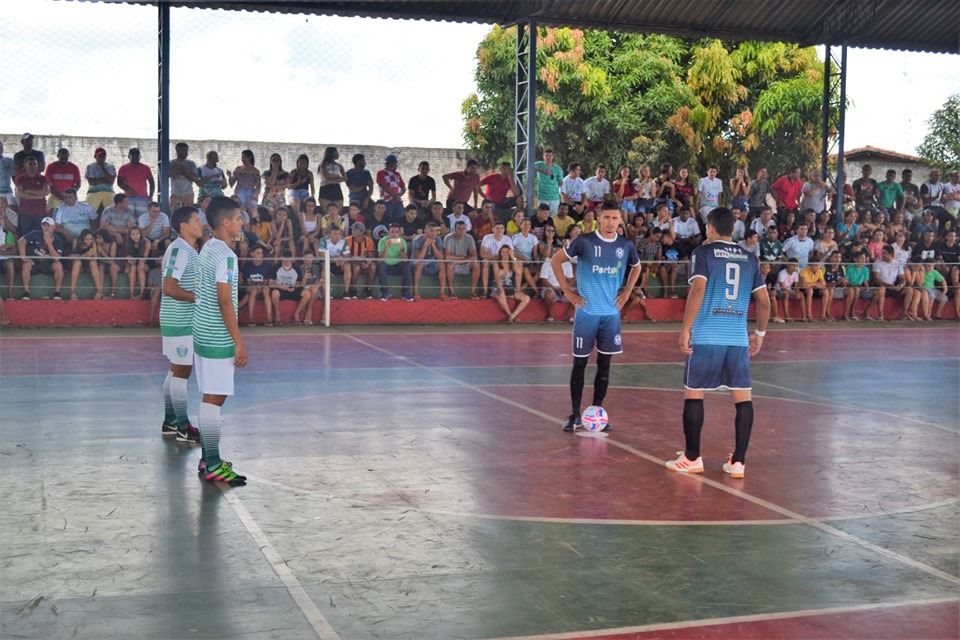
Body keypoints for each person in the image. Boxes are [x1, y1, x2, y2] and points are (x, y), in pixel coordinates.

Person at [666, 207, 770, 478]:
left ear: (710, 228)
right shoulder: (749, 258)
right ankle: (738, 462)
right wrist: (759, 334)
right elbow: (764, 302)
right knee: (743, 398)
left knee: (694, 393)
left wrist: (685, 329)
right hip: (736, 340)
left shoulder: (703, 253)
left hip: (706, 335)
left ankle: (692, 458)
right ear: (733, 230)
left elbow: (698, 289)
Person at [550, 202, 642, 432]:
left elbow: (637, 267)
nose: (611, 221)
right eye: (607, 217)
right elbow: (555, 261)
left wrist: (627, 292)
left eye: (615, 218)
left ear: (621, 220)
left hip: (610, 316)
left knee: (605, 365)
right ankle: (574, 415)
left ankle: (597, 411)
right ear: (599, 219)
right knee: (579, 364)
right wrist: (567, 292)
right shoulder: (585, 241)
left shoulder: (625, 245)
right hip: (587, 314)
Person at [192, 196, 248, 484]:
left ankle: (208, 457)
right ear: (225, 222)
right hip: (217, 336)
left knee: (212, 396)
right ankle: (212, 463)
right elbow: (225, 301)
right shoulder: (226, 255)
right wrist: (238, 341)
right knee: (214, 400)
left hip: (201, 332)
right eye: (238, 218)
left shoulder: (207, 249)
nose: (241, 222)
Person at [159, 206, 204, 442]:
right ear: (184, 226)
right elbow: (169, 287)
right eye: (197, 220)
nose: (201, 223)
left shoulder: (186, 250)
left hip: (182, 320)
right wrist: (199, 297)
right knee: (182, 373)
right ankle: (183, 428)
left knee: (177, 370)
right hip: (180, 320)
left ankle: (170, 421)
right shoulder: (180, 250)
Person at [18, 216, 64, 300]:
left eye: (48, 226)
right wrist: (24, 257)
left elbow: (57, 258)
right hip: (34, 263)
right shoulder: (36, 233)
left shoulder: (58, 240)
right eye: (44, 225)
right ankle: (26, 292)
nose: (46, 228)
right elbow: (21, 241)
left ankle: (57, 292)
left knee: (58, 265)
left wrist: (49, 243)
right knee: (25, 265)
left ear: (53, 227)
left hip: (48, 265)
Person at [492, 244, 531, 323]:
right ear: (500, 253)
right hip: (497, 286)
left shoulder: (511, 263)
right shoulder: (496, 263)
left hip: (509, 287)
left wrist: (513, 257)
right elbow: (497, 278)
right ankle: (512, 317)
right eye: (503, 252)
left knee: (526, 298)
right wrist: (501, 290)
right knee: (502, 298)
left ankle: (511, 317)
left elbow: (519, 272)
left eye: (507, 251)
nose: (505, 253)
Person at [443, 220, 480, 299]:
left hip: (464, 263)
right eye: (459, 229)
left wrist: (462, 260)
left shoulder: (469, 238)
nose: (461, 231)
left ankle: (473, 292)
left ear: (466, 229)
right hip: (454, 263)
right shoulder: (448, 238)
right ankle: (452, 292)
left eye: (463, 229)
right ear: (454, 229)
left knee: (476, 263)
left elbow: (474, 256)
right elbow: (447, 257)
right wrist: (464, 258)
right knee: (449, 264)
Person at [411, 221, 447, 300]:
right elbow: (419, 257)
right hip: (417, 263)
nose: (433, 233)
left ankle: (442, 292)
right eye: (431, 231)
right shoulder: (417, 240)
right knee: (419, 263)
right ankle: (416, 291)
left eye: (435, 231)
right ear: (425, 231)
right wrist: (425, 245)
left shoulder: (438, 240)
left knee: (441, 264)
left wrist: (433, 246)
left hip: (432, 262)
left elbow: (440, 257)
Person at [377, 223, 413, 301]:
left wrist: (402, 248)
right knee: (381, 265)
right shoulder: (382, 241)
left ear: (399, 233)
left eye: (396, 232)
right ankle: (384, 292)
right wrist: (386, 247)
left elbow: (405, 259)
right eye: (392, 232)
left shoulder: (402, 241)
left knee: (407, 265)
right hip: (386, 265)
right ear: (388, 232)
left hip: (398, 266)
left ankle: (406, 293)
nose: (394, 234)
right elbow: (381, 259)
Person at [540, 243, 575, 322]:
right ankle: (550, 316)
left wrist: (564, 290)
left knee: (578, 294)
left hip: (563, 288)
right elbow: (544, 281)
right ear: (552, 253)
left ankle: (567, 315)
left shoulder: (567, 265)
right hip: (550, 288)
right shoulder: (547, 264)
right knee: (549, 294)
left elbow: (570, 281)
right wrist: (556, 289)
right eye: (555, 252)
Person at [14, 156, 49, 236]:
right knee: (24, 238)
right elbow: (20, 193)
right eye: (30, 164)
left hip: (40, 213)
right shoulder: (20, 178)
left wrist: (28, 191)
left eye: (34, 164)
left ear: (37, 166)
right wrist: (38, 196)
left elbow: (46, 192)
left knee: (40, 237)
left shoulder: (43, 178)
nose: (32, 166)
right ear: (25, 166)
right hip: (25, 213)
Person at [238, 245, 272, 326]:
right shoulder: (247, 266)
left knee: (266, 290)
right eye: (258, 253)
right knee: (253, 290)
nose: (260, 255)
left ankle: (269, 318)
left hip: (263, 288)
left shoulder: (267, 265)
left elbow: (266, 281)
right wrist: (256, 287)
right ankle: (250, 318)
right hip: (252, 289)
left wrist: (261, 287)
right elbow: (249, 281)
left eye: (261, 253)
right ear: (252, 254)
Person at [68, 229, 104, 300]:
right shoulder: (77, 241)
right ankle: (72, 292)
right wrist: (85, 255)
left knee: (93, 263)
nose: (89, 241)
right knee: (77, 263)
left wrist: (82, 256)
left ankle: (99, 291)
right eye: (86, 239)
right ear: (82, 239)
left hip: (89, 266)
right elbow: (73, 256)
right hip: (78, 265)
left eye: (90, 239)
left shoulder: (93, 242)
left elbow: (94, 257)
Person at [117, 148, 155, 216]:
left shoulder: (146, 168)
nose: (135, 157)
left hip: (143, 198)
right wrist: (129, 190)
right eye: (133, 155)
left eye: (137, 155)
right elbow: (119, 182)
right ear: (129, 156)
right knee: (129, 219)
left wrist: (151, 195)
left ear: (140, 157)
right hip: (128, 198)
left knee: (142, 220)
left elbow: (152, 182)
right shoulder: (123, 168)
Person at [268, 250, 302, 325]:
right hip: (280, 290)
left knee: (307, 294)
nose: (287, 261)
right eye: (285, 259)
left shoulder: (296, 268)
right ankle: (277, 315)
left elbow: (299, 282)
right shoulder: (276, 267)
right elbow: (270, 283)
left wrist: (295, 287)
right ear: (281, 258)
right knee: (275, 293)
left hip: (293, 290)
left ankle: (297, 313)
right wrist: (279, 286)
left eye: (288, 259)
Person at [345, 222, 376, 300]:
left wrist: (368, 261)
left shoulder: (368, 241)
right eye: (353, 230)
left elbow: (370, 256)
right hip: (352, 262)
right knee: (356, 267)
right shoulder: (348, 240)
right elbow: (347, 256)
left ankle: (368, 289)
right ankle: (353, 289)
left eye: (356, 230)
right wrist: (360, 262)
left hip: (364, 262)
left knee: (373, 267)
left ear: (362, 232)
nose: (353, 232)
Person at [318, 225, 351, 298]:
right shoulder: (323, 241)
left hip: (339, 263)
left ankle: (346, 292)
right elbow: (322, 256)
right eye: (335, 234)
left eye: (339, 234)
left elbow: (347, 256)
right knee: (325, 265)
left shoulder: (344, 241)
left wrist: (342, 260)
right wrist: (335, 259)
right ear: (330, 234)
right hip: (327, 262)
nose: (337, 236)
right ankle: (326, 293)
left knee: (347, 265)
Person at [293, 248, 323, 325]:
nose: (308, 260)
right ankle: (308, 312)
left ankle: (309, 310)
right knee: (311, 290)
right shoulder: (299, 268)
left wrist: (319, 282)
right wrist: (305, 278)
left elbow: (317, 281)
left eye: (310, 258)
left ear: (313, 258)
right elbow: (300, 286)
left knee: (314, 288)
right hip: (303, 289)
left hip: (314, 290)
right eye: (306, 258)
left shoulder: (316, 268)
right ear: (303, 258)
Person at [85, 147, 117, 214]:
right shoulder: (90, 167)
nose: (102, 158)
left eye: (104, 156)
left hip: (108, 191)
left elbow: (111, 182)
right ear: (95, 156)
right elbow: (91, 182)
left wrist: (103, 168)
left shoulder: (110, 166)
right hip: (93, 191)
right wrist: (105, 179)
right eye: (99, 156)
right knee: (88, 212)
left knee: (113, 212)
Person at [168, 143, 199, 210]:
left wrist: (185, 170)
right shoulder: (171, 163)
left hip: (188, 194)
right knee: (173, 214)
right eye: (184, 151)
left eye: (187, 151)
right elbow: (166, 175)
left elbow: (196, 179)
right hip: (175, 194)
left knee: (188, 214)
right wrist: (176, 169)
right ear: (177, 151)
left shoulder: (191, 164)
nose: (186, 153)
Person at [534, 149, 564, 214]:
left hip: (554, 197)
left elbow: (561, 183)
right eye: (546, 155)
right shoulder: (539, 164)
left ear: (553, 157)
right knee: (542, 216)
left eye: (550, 156)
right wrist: (542, 170)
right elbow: (528, 169)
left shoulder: (558, 168)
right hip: (542, 196)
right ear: (543, 156)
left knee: (553, 217)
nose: (548, 157)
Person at [377, 154, 406, 222]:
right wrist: (394, 196)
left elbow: (403, 187)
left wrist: (398, 196)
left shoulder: (397, 174)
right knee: (388, 220)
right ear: (392, 164)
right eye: (396, 164)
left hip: (398, 201)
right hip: (387, 201)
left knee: (400, 220)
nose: (396, 166)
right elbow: (383, 186)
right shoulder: (381, 173)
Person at [124, 225, 149, 299]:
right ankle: (131, 293)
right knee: (133, 267)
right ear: (130, 235)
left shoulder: (146, 242)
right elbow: (128, 255)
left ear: (140, 234)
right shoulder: (128, 243)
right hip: (134, 264)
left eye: (137, 234)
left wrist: (141, 262)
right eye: (133, 234)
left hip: (146, 263)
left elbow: (144, 258)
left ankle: (142, 293)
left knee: (140, 268)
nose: (136, 236)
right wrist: (130, 259)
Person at [317, 147, 345, 211]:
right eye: (336, 153)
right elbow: (326, 175)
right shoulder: (323, 165)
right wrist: (338, 176)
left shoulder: (339, 166)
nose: (338, 154)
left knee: (338, 210)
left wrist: (332, 180)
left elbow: (345, 178)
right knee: (326, 211)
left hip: (336, 188)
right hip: (325, 187)